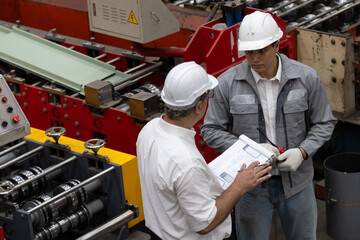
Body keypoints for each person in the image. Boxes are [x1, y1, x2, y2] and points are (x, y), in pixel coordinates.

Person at [201, 11, 337, 240]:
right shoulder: (227, 84)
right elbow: (210, 130)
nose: (255, 59)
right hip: (250, 189)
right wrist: (248, 149)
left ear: (276, 44)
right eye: (249, 52)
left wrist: (302, 152)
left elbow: (324, 123)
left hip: (298, 185)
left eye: (262, 51)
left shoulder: (306, 78)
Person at [136, 61, 272, 240]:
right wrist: (239, 185)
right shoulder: (186, 162)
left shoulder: (150, 129)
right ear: (198, 107)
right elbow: (205, 224)